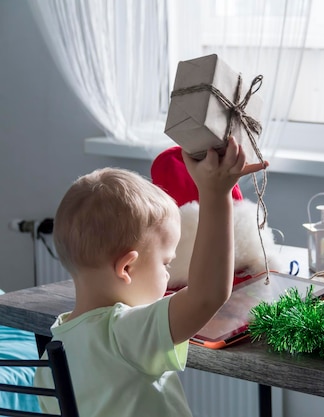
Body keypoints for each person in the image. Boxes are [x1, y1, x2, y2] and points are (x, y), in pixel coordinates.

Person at [35, 137, 268, 417]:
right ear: (127, 269)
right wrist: (216, 195)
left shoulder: (52, 352)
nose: (169, 274)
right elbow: (207, 295)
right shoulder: (123, 332)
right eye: (166, 263)